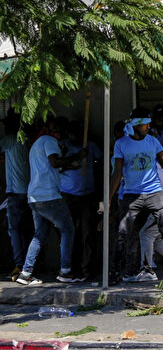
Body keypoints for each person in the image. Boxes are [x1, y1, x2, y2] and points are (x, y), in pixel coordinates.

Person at [109, 107, 163, 283]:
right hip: (132, 194)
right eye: (145, 124)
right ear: (136, 125)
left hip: (154, 192)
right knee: (123, 233)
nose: (148, 126)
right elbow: (117, 173)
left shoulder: (153, 141)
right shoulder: (121, 144)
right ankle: (115, 272)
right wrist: (108, 198)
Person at [17, 117, 83, 285]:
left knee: (39, 235)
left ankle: (25, 273)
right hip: (49, 196)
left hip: (34, 196)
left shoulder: (37, 144)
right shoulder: (50, 141)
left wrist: (68, 165)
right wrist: (76, 156)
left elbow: (50, 167)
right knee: (68, 229)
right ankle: (65, 271)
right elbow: (54, 162)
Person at [59, 121, 102, 280]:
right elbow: (57, 165)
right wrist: (77, 157)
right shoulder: (63, 146)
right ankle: (71, 268)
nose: (74, 137)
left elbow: (102, 161)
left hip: (87, 195)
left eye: (78, 134)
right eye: (72, 134)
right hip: (68, 195)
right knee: (70, 233)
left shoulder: (89, 146)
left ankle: (87, 269)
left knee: (87, 234)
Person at [0, 110, 31, 279]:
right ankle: (26, 263)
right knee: (23, 228)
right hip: (27, 191)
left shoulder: (11, 140)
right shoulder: (25, 140)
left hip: (15, 192)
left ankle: (19, 265)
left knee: (13, 229)